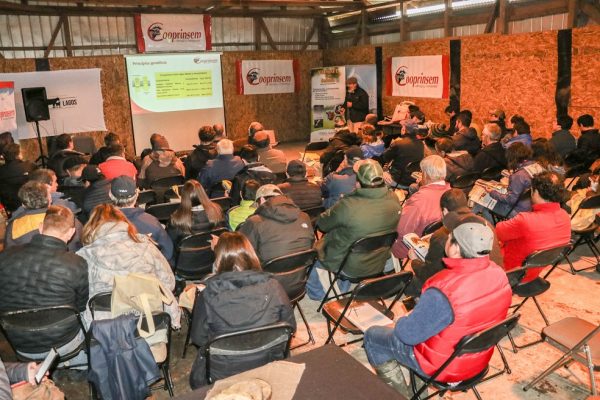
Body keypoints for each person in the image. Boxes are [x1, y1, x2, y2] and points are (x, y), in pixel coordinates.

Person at [364, 213, 511, 397]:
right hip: (476, 360)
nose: (446, 239)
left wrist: (400, 322)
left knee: (372, 336)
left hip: (443, 367)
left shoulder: (444, 288)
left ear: (456, 250)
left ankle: (401, 396)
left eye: (450, 238)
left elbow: (408, 335)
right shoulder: (500, 275)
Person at [188, 232, 296, 388]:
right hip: (267, 362)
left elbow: (199, 338)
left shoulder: (207, 295)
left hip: (223, 371)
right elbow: (290, 326)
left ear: (218, 260)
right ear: (252, 255)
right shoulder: (274, 287)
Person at [0, 206, 88, 365]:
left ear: (40, 228)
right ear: (71, 233)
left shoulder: (4, 257)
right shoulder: (76, 263)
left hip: (20, 345)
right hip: (64, 344)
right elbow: (81, 307)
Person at [307, 160, 401, 300]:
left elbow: (323, 224)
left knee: (315, 283)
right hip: (377, 262)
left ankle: (335, 286)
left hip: (350, 266)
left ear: (358, 182)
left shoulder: (348, 205)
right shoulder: (394, 199)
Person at [77, 204, 179, 326]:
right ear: (123, 222)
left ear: (91, 227)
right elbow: (169, 283)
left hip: (106, 329)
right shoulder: (147, 246)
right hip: (149, 321)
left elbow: (80, 299)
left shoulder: (83, 257)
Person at [408, 189, 503, 296]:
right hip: (495, 286)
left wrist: (414, 261)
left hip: (468, 292)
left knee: (412, 282)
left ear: (444, 211)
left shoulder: (442, 236)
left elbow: (428, 275)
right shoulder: (487, 225)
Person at [496, 171, 571, 283]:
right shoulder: (564, 215)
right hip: (535, 271)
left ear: (534, 191)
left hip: (512, 273)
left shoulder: (525, 220)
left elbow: (498, 232)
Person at [391, 155, 450, 260]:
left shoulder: (418, 201)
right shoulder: (451, 191)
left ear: (426, 174)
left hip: (410, 249)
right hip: (438, 244)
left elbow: (401, 230)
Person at [238, 184, 314, 263]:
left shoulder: (254, 222)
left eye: (257, 204)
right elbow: (311, 243)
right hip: (302, 271)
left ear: (262, 200)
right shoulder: (305, 217)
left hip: (268, 274)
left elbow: (241, 251)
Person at [109, 176, 174, 263]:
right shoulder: (151, 222)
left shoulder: (99, 224)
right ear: (137, 195)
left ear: (110, 194)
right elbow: (168, 252)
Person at [485, 142, 544, 218]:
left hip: (519, 211)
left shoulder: (518, 176)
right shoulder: (537, 165)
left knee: (486, 209)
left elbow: (511, 200)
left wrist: (492, 192)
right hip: (533, 206)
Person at [167, 179, 225, 244]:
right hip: (211, 252)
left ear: (184, 198)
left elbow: (170, 243)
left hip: (186, 254)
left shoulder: (176, 219)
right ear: (202, 193)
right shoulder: (218, 210)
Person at [4, 181, 50, 248]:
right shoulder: (59, 216)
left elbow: (8, 253)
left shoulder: (13, 226)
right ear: (48, 199)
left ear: (23, 205)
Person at [382, 121, 425, 189]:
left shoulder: (398, 143)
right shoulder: (421, 144)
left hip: (398, 180)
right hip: (413, 179)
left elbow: (385, 157)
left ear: (404, 130)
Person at [0, 143, 37, 212]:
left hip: (10, 206)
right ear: (18, 155)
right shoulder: (29, 165)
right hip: (30, 202)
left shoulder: (1, 171)